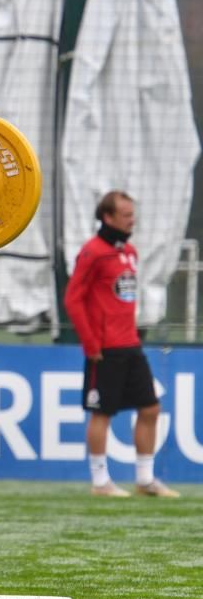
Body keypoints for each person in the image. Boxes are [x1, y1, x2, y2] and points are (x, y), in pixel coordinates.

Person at [64, 191, 179, 498]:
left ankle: (145, 479)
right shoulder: (92, 252)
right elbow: (73, 299)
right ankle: (100, 483)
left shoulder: (129, 251)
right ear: (108, 217)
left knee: (151, 408)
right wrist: (91, 344)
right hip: (104, 349)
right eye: (126, 215)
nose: (133, 220)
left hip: (130, 344)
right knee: (102, 414)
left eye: (132, 214)